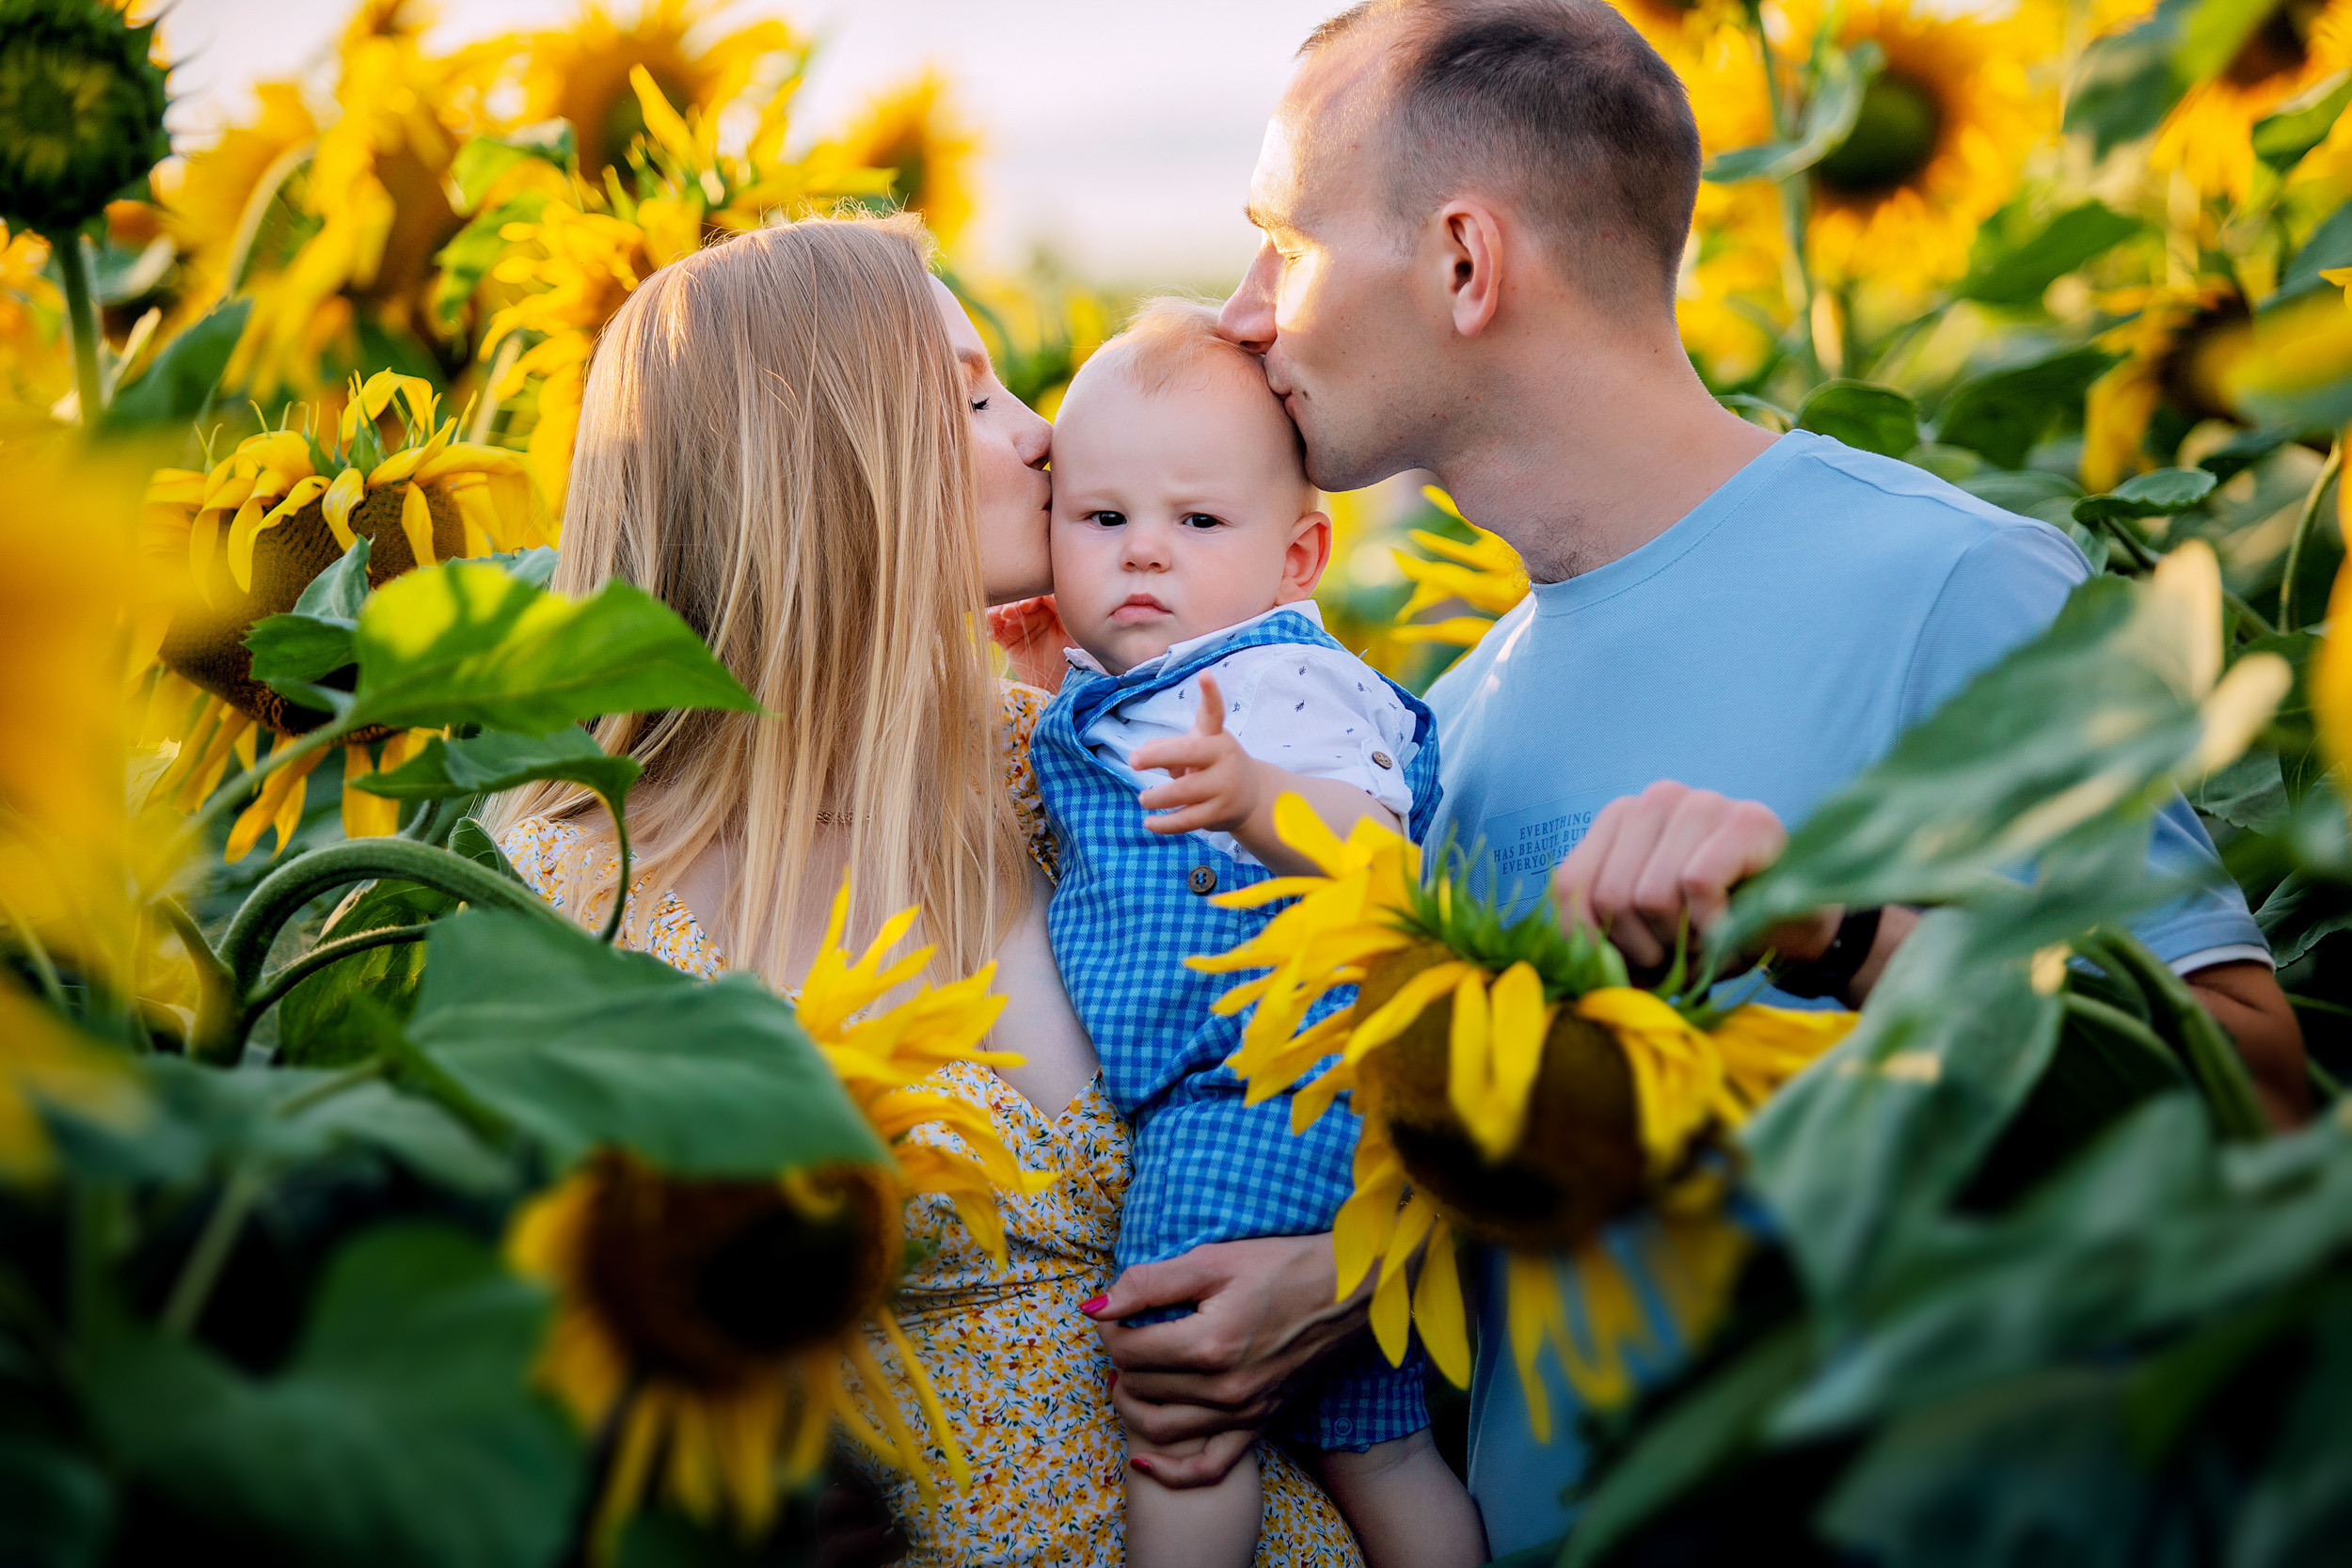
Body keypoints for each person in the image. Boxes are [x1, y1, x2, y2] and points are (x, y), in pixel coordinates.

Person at [1081, 0, 2313, 1555]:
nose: (1248, 312)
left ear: (1465, 262)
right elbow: (1587, 1175)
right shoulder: (1436, 724)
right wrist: (1353, 1273)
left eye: (1287, 244)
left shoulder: (1950, 585)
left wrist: (1840, 926)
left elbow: (2254, 1110)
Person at [490, 214, 1364, 1566]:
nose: (1038, 435)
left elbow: (1365, 1027)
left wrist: (1346, 1278)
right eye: (970, 396)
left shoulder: (1077, 768)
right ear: (832, 468)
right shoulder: (570, 898)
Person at [1030, 299, 1485, 1568]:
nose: (1145, 557)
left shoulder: (1272, 684)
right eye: (1102, 519)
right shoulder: (1137, 681)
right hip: (1308, 1114)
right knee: (1381, 1449)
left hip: (1256, 1090)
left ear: (1298, 560)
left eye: (1197, 522)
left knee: (1181, 1422)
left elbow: (1380, 852)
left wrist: (1255, 798)